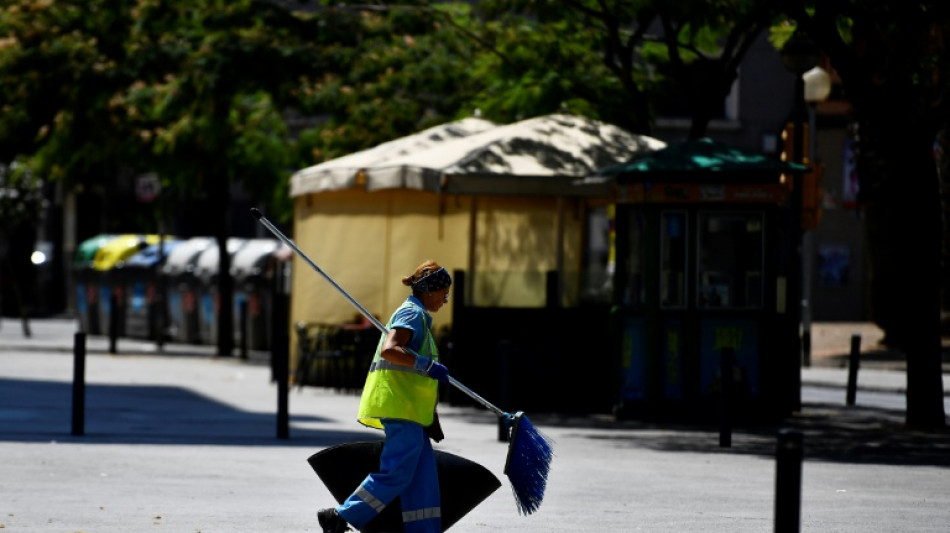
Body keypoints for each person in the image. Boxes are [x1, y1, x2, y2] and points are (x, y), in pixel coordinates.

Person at [318, 260, 452, 533]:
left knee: (421, 481)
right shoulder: (411, 314)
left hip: (414, 413)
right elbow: (390, 350)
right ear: (429, 291)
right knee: (397, 473)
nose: (446, 299)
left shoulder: (420, 317)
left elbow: (415, 378)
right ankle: (340, 516)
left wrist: (431, 418)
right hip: (400, 408)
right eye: (444, 292)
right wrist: (425, 364)